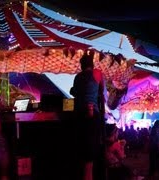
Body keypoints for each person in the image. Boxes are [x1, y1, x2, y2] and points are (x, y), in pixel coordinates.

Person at [70, 49, 105, 180]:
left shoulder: (77, 77)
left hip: (78, 114)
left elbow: (74, 92)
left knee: (82, 150)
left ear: (82, 65)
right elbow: (102, 93)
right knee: (90, 153)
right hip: (91, 114)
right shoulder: (97, 73)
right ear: (92, 64)